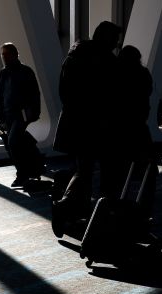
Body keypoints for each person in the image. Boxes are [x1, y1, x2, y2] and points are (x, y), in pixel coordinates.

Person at [51, 21, 122, 237]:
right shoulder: (107, 60)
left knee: (84, 169)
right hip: (99, 125)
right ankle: (98, 215)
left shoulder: (73, 56)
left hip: (76, 124)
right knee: (109, 170)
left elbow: (64, 93)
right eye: (115, 40)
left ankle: (70, 209)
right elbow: (112, 96)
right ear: (108, 39)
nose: (116, 44)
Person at [115, 45, 158, 218]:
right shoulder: (143, 74)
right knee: (147, 169)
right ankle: (143, 208)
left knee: (119, 170)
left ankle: (117, 206)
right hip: (138, 126)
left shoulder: (114, 74)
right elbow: (147, 94)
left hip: (118, 129)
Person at [0, 42, 42, 187]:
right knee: (17, 142)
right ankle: (34, 167)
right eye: (2, 54)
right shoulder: (4, 73)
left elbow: (35, 94)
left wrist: (33, 113)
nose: (3, 57)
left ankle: (22, 174)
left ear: (15, 54)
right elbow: (0, 96)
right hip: (9, 115)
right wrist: (1, 117)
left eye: (6, 54)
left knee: (13, 142)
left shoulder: (26, 71)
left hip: (21, 114)